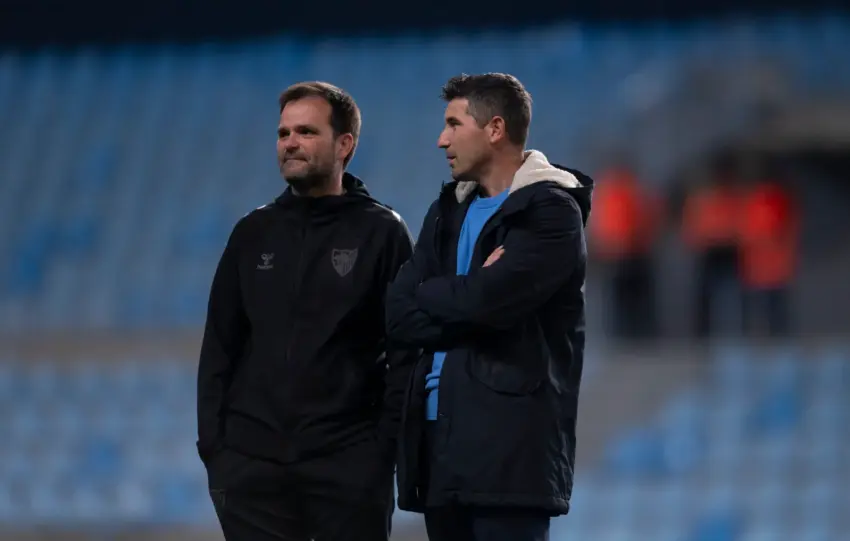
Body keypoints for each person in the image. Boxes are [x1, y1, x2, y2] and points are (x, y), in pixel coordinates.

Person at [196, 81, 417, 541]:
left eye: (305, 132)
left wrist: (379, 455)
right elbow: (220, 346)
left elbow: (407, 353)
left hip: (348, 465)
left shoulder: (382, 232)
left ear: (344, 144)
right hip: (251, 469)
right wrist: (217, 451)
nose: (289, 143)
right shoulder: (252, 233)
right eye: (283, 133)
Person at [385, 73, 593, 541]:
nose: (441, 140)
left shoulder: (552, 212)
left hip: (508, 446)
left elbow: (488, 304)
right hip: (437, 440)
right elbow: (397, 312)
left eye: (453, 124)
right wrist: (468, 291)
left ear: (495, 128)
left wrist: (446, 293)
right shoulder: (446, 211)